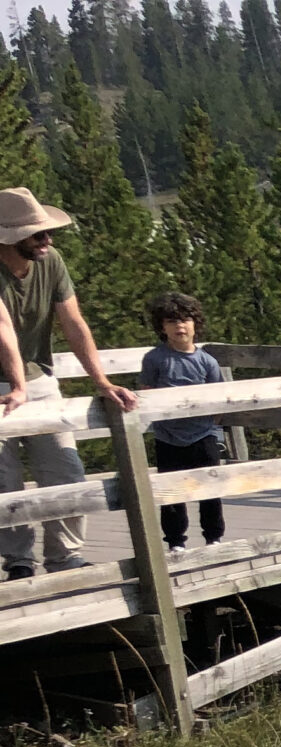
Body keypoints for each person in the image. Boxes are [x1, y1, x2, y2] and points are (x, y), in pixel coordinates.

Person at [0, 185, 137, 581]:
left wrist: (102, 382)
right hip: (5, 386)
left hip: (39, 379)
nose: (48, 239)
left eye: (48, 232)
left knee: (64, 469)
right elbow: (3, 329)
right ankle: (19, 562)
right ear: (10, 237)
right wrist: (17, 384)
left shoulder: (51, 261)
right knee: (4, 479)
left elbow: (73, 322)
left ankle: (65, 557)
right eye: (38, 233)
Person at [139, 291, 225, 552]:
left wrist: (212, 427)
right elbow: (146, 393)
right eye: (172, 321)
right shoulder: (155, 359)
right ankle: (176, 541)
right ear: (162, 327)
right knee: (171, 492)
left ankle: (214, 538)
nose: (179, 326)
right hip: (168, 437)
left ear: (195, 324)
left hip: (203, 434)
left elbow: (219, 397)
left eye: (185, 320)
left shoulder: (207, 361)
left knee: (209, 486)